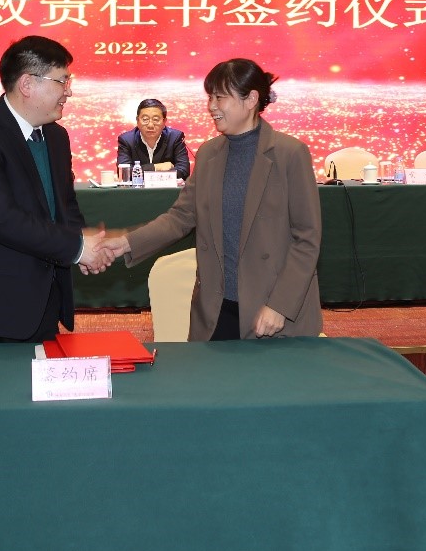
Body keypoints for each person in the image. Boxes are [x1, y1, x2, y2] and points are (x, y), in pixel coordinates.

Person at [101, 58, 322, 341]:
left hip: (272, 311)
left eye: (220, 97)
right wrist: (125, 243)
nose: (211, 106)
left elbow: (307, 238)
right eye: (210, 97)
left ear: (251, 99)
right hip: (217, 309)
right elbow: (180, 217)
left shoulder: (290, 153)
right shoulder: (208, 154)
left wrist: (281, 305)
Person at [0, 36, 111, 344]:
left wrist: (83, 243)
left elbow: (64, 206)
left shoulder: (56, 137)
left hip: (41, 304)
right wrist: (78, 248)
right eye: (62, 81)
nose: (69, 91)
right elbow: (2, 219)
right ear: (27, 84)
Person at [116, 98, 191, 180]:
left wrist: (145, 172)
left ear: (164, 121)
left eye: (156, 120)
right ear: (137, 121)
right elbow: (124, 173)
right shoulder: (126, 140)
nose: (150, 125)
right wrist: (156, 167)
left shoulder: (175, 138)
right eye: (145, 119)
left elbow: (184, 171)